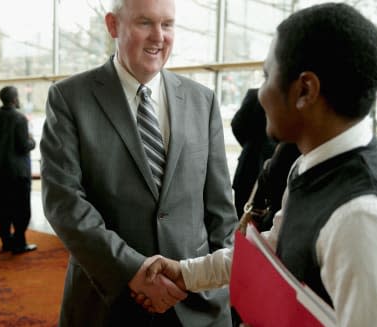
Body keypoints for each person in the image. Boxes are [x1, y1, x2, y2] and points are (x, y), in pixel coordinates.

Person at [141, 4, 377, 326]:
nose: (261, 93)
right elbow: (271, 250)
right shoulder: (310, 166)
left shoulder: (366, 221)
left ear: (305, 90)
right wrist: (185, 272)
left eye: (267, 76)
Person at [39, 0, 237, 325]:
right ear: (113, 25)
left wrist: (217, 284)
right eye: (145, 23)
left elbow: (220, 210)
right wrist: (134, 271)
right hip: (109, 302)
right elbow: (64, 203)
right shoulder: (69, 98)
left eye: (168, 24)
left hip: (197, 304)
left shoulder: (203, 100)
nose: (158, 37)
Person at [0, 86, 37, 254]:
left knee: (4, 209)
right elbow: (23, 146)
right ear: (14, 99)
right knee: (21, 209)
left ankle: (6, 242)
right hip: (17, 173)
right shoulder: (19, 118)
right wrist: (32, 141)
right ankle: (20, 243)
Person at [231, 88, 276, 218]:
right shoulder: (256, 94)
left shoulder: (254, 94)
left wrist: (249, 145)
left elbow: (237, 125)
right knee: (245, 214)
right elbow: (237, 125)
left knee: (245, 215)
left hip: (250, 164)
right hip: (252, 165)